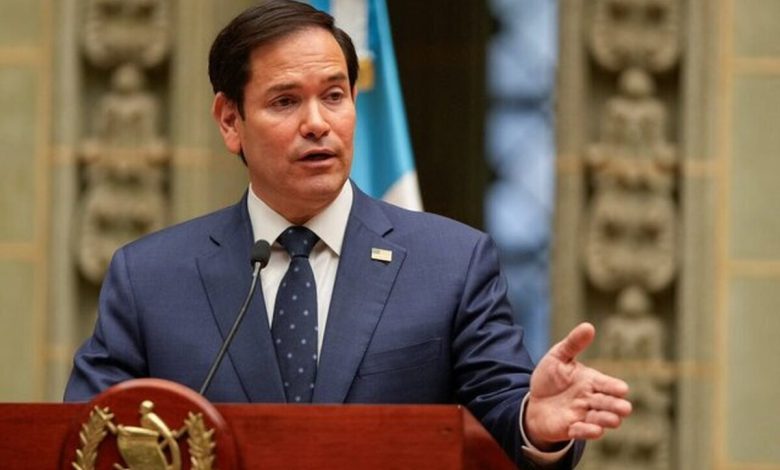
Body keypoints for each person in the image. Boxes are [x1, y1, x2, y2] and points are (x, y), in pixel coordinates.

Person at [65, 1, 631, 467]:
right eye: (286, 101)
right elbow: (85, 439)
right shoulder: (150, 277)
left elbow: (501, 415)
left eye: (334, 96)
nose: (317, 123)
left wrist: (534, 421)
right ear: (230, 121)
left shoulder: (451, 263)